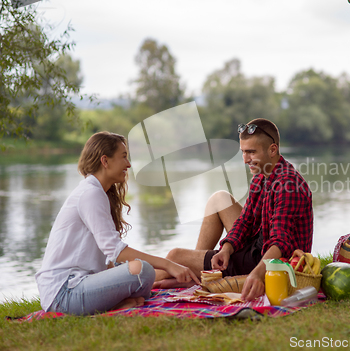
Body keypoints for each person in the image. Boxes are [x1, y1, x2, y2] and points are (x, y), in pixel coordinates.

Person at [35, 131, 199, 315]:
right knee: (142, 270)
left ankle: (117, 303)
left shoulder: (97, 192)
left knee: (140, 269)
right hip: (64, 293)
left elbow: (109, 259)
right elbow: (116, 250)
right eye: (124, 157)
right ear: (105, 161)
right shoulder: (90, 194)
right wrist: (168, 264)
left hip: (76, 286)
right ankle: (114, 304)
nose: (128, 164)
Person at [161, 118, 313, 302]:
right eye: (243, 152)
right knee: (219, 198)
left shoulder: (287, 185)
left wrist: (256, 275)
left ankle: (143, 278)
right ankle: (197, 274)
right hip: (258, 245)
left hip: (275, 264)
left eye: (251, 152)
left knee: (175, 256)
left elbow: (280, 243)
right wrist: (226, 248)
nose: (245, 159)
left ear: (272, 150)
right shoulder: (262, 174)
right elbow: (245, 220)